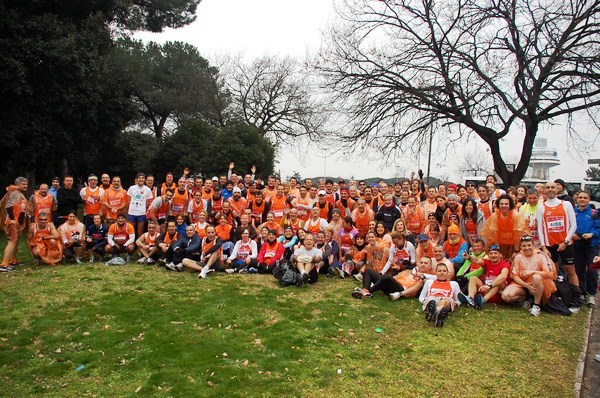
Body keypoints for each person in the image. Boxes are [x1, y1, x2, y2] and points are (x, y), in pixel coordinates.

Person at [536, 180, 579, 297]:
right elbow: (540, 228)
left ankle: (576, 298)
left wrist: (565, 241)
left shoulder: (566, 204)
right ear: (544, 190)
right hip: (550, 245)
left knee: (570, 270)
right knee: (553, 272)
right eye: (548, 187)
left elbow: (573, 225)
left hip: (566, 243)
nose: (550, 189)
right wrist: (543, 247)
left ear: (557, 189)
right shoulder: (541, 207)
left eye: (552, 187)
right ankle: (556, 296)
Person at [501, 236, 557, 316]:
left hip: (539, 284)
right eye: (524, 246)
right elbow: (514, 275)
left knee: (536, 277)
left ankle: (536, 306)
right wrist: (526, 285)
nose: (527, 248)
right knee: (506, 296)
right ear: (520, 247)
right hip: (524, 283)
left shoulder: (541, 255)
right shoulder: (518, 257)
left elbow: (551, 274)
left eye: (529, 245)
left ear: (533, 246)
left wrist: (533, 272)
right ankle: (526, 299)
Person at [459, 244, 510, 309]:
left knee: (498, 283)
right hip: (485, 289)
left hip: (497, 293)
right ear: (488, 255)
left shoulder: (505, 264)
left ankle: (482, 301)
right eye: (491, 253)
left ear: (500, 255)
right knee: (473, 278)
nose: (493, 255)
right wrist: (469, 257)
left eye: (495, 253)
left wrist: (490, 286)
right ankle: (470, 299)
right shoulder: (487, 262)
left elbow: (503, 276)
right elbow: (477, 260)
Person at [573, 190, 600, 306]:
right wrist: (572, 234)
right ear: (577, 199)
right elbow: (568, 226)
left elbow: (599, 228)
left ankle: (591, 294)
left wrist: (592, 234)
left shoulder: (594, 212)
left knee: (592, 270)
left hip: (591, 245)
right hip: (577, 245)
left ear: (589, 200)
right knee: (578, 270)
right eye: (580, 197)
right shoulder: (572, 212)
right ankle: (581, 292)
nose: (582, 199)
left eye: (585, 197)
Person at [481, 194, 528, 260]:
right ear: (498, 205)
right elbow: (494, 236)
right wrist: (498, 251)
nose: (504, 206)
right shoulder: (495, 216)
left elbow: (517, 236)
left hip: (514, 246)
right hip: (500, 245)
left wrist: (516, 251)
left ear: (510, 205)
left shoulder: (516, 216)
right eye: (501, 204)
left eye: (506, 204)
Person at [1, 177, 30, 270]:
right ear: (17, 184)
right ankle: (4, 264)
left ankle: (12, 260)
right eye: (23, 184)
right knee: (12, 241)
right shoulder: (14, 192)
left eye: (26, 184)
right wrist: (13, 219)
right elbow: (8, 206)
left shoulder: (19, 193)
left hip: (17, 221)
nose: (26, 186)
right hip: (12, 221)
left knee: (16, 241)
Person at [127, 173, 153, 238]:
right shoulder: (131, 188)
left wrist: (142, 209)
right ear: (137, 179)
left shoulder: (147, 189)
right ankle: (131, 244)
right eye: (139, 178)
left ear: (144, 180)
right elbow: (128, 201)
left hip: (141, 213)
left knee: (140, 231)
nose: (141, 179)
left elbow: (148, 203)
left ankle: (139, 245)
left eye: (142, 178)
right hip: (132, 212)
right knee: (131, 230)